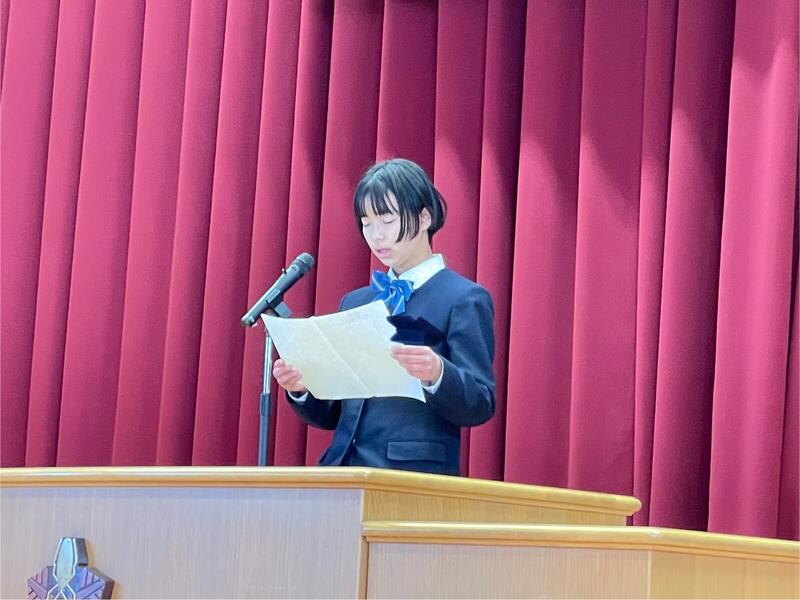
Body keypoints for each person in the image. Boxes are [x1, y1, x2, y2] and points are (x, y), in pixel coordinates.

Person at [272, 158, 495, 476]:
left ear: (424, 218)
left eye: (387, 220)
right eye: (367, 223)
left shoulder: (463, 298)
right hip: (343, 472)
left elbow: (480, 403)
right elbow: (333, 413)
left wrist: (437, 373)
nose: (376, 235)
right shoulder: (356, 301)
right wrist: (302, 388)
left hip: (412, 478)